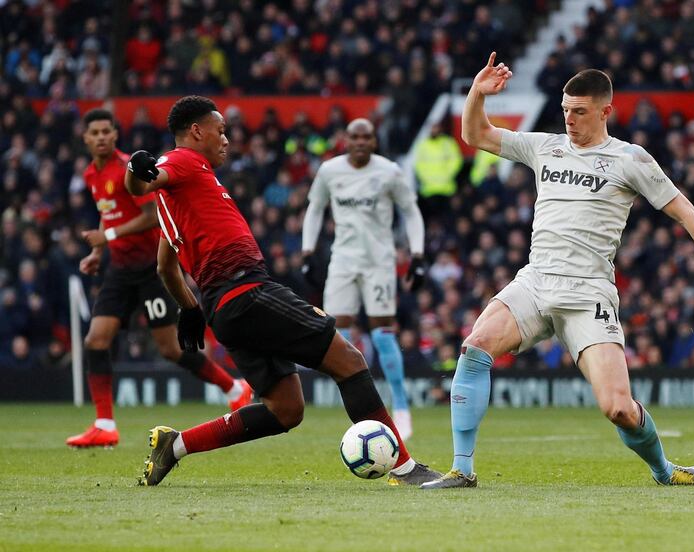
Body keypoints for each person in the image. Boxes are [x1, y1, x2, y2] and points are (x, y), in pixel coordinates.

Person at [422, 54, 694, 489]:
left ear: (604, 112)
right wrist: (477, 94)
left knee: (617, 408)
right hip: (536, 282)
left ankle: (665, 471)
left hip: (589, 294)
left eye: (578, 112)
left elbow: (688, 214)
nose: (569, 120)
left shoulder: (629, 159)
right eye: (564, 110)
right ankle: (462, 470)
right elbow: (474, 133)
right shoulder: (546, 146)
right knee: (476, 345)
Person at [124, 96, 440, 487]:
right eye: (220, 131)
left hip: (224, 309)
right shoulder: (184, 162)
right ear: (196, 131)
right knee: (349, 360)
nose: (226, 139)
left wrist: (189, 309)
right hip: (246, 290)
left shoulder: (174, 203)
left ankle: (174, 446)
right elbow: (145, 179)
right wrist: (133, 171)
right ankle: (405, 468)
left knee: (285, 409)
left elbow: (164, 266)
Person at [66, 109, 253, 449]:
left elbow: (155, 215)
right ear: (86, 139)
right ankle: (104, 423)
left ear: (115, 134)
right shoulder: (92, 175)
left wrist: (106, 238)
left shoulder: (132, 168)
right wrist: (97, 252)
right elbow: (109, 214)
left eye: (107, 130)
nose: (102, 137)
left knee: (170, 349)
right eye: (95, 132)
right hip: (120, 270)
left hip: (150, 269)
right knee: (96, 340)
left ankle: (235, 388)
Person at [301, 118, 426, 441]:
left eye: (365, 137)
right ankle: (359, 408)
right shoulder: (330, 171)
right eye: (354, 137)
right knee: (336, 336)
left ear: (373, 141)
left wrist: (418, 254)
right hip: (342, 261)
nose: (359, 142)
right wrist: (307, 251)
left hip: (378, 263)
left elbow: (411, 211)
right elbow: (315, 209)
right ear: (346, 140)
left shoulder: (389, 172)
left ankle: (400, 407)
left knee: (383, 335)